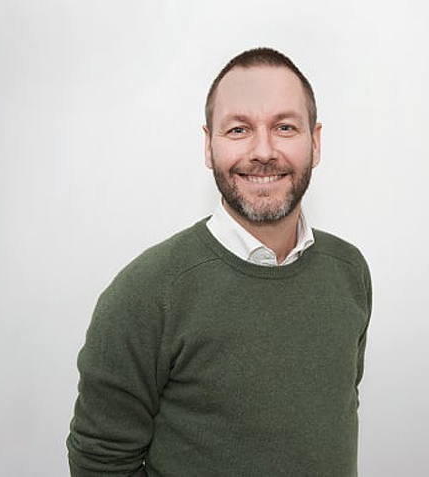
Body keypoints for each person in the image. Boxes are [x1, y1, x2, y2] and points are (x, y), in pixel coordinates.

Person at [67, 47, 372, 476]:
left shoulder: (349, 272)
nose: (263, 151)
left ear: (315, 142)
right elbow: (101, 464)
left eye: (285, 127)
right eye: (238, 129)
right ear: (209, 145)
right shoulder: (145, 295)